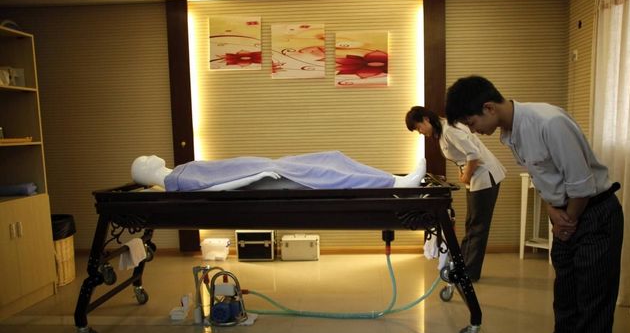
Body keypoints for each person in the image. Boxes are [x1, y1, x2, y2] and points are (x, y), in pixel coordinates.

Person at [445, 75, 624, 333]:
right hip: (566, 215)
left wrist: (567, 222)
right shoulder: (510, 132)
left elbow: (581, 183)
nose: (474, 131)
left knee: (593, 309)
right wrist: (552, 212)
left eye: (472, 123)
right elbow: (545, 179)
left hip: (594, 215)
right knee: (566, 300)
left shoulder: (549, 123)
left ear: (488, 107)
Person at [405, 106, 506, 282]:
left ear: (426, 119)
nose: (420, 132)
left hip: (485, 177)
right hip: (476, 178)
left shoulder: (449, 129)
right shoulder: (443, 130)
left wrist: (466, 175)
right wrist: (465, 173)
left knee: (478, 226)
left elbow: (473, 154)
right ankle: (464, 265)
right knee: (472, 224)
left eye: (419, 127)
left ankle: (470, 273)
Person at [131, 151, 426, 191]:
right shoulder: (176, 180)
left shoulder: (178, 170)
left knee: (333, 158)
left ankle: (396, 180)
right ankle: (397, 184)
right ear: (146, 172)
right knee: (329, 173)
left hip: (265, 165)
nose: (151, 155)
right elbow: (210, 190)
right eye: (145, 159)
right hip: (264, 173)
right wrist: (255, 177)